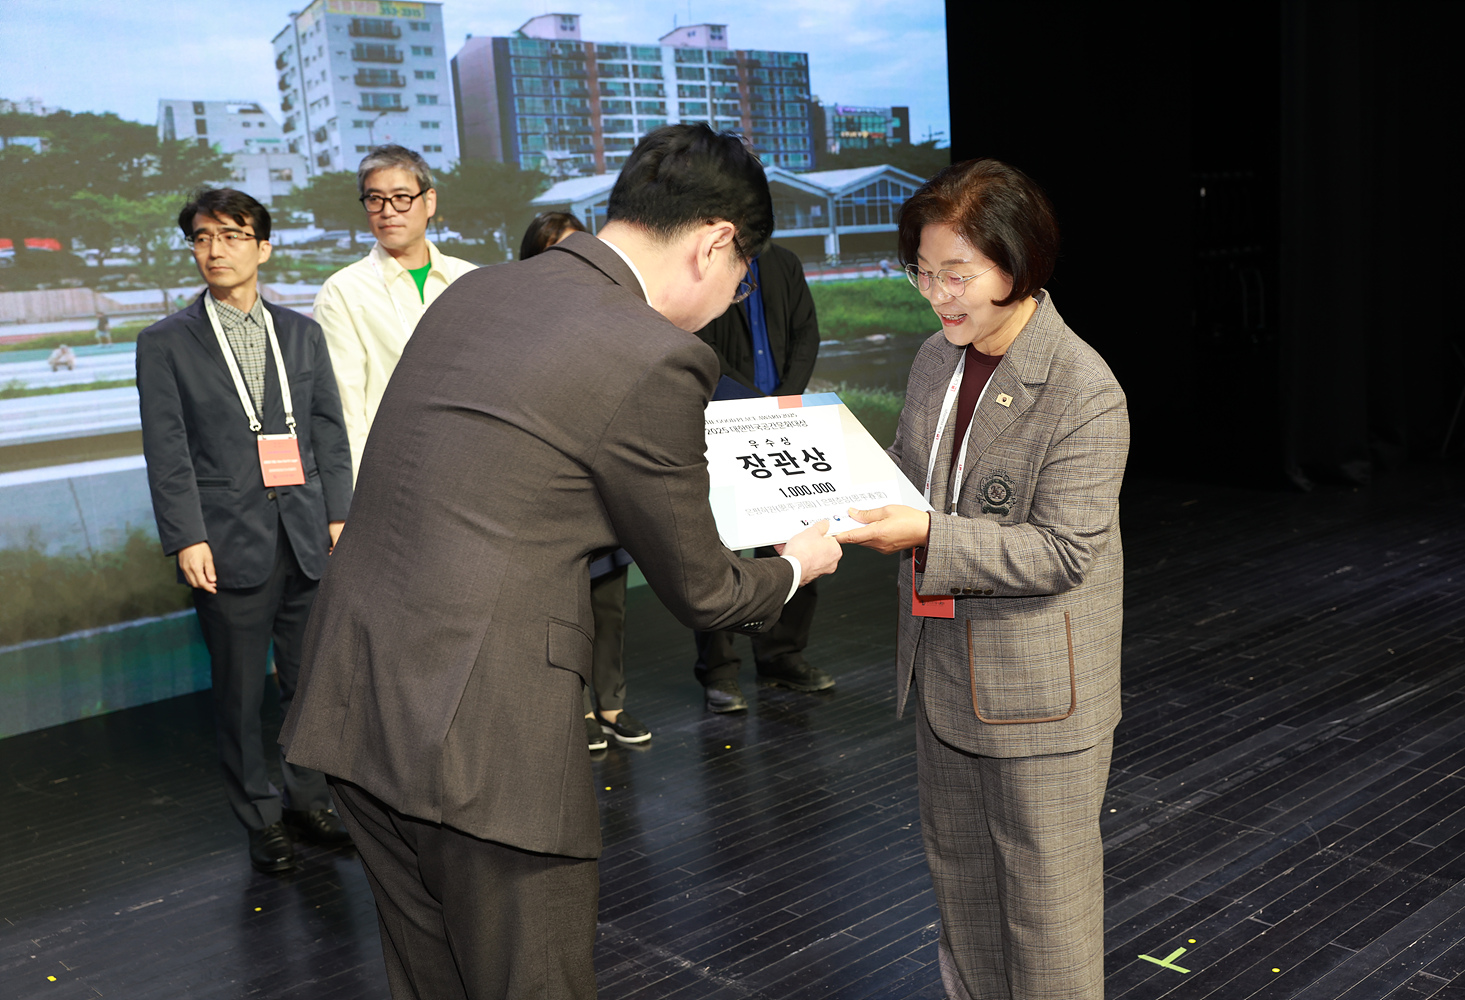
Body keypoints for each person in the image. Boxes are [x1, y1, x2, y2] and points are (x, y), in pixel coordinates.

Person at [280, 124, 842, 999]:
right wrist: (802, 561)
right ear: (715, 242)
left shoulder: (477, 293)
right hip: (481, 747)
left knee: (430, 979)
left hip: (356, 703)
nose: (733, 301)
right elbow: (704, 588)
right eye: (738, 283)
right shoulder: (652, 353)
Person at [837, 159, 1129, 1000]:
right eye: (922, 272)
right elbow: (911, 474)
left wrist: (927, 532)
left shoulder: (1083, 389)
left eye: (957, 274)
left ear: (1018, 262)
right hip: (941, 676)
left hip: (1039, 697)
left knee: (1047, 915)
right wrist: (828, 484)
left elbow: (1061, 552)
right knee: (963, 896)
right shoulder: (937, 357)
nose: (938, 294)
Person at [136, 189, 354, 874]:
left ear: (263, 247)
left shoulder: (300, 331)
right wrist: (186, 536)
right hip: (225, 542)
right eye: (202, 238)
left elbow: (326, 428)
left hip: (307, 531)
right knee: (238, 693)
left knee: (308, 683)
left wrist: (340, 510)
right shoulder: (165, 343)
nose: (214, 250)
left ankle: (307, 799)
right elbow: (166, 451)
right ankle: (260, 817)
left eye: (231, 236)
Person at [518, 210, 652, 752]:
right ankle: (572, 708)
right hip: (548, 494)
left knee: (610, 605)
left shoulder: (616, 316)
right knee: (559, 610)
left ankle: (612, 702)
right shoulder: (519, 322)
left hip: (605, 488)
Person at [690, 241, 829, 712]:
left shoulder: (785, 262)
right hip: (724, 422)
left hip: (784, 426)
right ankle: (720, 672)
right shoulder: (707, 265)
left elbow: (806, 333)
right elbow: (703, 349)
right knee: (718, 550)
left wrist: (785, 402)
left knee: (795, 540)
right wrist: (756, 409)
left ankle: (781, 656)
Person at [313, 145, 478, 483]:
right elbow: (347, 410)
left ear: (429, 201)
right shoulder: (343, 291)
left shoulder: (471, 280)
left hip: (471, 467)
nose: (388, 211)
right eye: (375, 199)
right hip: (393, 476)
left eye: (401, 197)